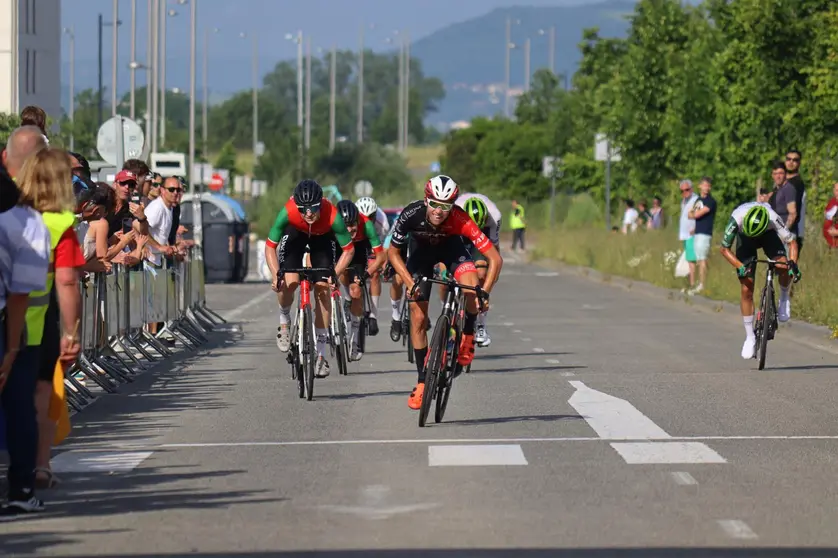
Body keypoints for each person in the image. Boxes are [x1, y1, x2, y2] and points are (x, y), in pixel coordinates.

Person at [387, 175, 502, 410]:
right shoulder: (411, 214)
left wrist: (485, 293)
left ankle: (468, 335)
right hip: (420, 255)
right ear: (426, 199)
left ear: (453, 205)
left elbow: (495, 258)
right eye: (435, 204)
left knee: (471, 286)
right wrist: (410, 283)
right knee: (418, 318)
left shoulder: (460, 218)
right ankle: (422, 381)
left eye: (446, 205)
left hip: (452, 251)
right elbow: (393, 253)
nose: (439, 211)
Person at [14, 148, 85, 491]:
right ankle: (39, 465)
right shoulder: (61, 224)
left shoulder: (10, 216)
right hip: (39, 322)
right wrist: (71, 333)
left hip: (7, 317)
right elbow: (68, 281)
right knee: (42, 392)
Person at [264, 180, 355, 378]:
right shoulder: (288, 212)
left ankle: (321, 356)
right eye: (303, 209)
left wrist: (335, 274)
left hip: (322, 239)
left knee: (323, 288)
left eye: (313, 208)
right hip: (295, 235)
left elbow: (349, 250)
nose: (309, 213)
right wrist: (275, 274)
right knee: (289, 281)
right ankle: (284, 320)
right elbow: (270, 245)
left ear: (320, 205)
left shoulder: (332, 215)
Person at [0, 179, 51, 516]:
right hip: (16, 329)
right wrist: (11, 350)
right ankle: (20, 488)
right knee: (20, 409)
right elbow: (20, 293)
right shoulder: (25, 222)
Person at [719, 202, 800, 360]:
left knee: (783, 265)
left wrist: (793, 265)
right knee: (746, 288)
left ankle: (784, 297)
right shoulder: (737, 218)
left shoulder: (772, 218)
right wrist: (740, 266)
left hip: (767, 235)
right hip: (745, 239)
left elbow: (792, 242)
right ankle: (750, 337)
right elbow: (724, 248)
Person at [335, 200, 386, 360]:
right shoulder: (332, 226)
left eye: (353, 225)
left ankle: (355, 334)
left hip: (358, 251)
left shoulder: (367, 225)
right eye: (346, 226)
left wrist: (367, 273)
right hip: (339, 248)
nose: (350, 229)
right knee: (340, 272)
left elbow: (380, 256)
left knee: (357, 289)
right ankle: (347, 297)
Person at [455, 192, 502, 347]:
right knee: (446, 277)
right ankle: (447, 310)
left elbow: (494, 252)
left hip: (483, 235)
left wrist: (489, 281)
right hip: (460, 227)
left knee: (482, 273)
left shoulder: (494, 217)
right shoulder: (455, 211)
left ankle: (481, 325)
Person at [354, 196, 389, 335]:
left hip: (374, 244)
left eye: (370, 217)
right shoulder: (352, 220)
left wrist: (379, 264)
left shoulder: (382, 223)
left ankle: (374, 314)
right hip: (358, 241)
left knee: (374, 273)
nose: (367, 220)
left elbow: (381, 252)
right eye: (363, 217)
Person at [823, 181, 838, 249]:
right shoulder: (832, 201)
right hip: (830, 242)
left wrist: (837, 232)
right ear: (834, 191)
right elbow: (826, 214)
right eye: (837, 190)